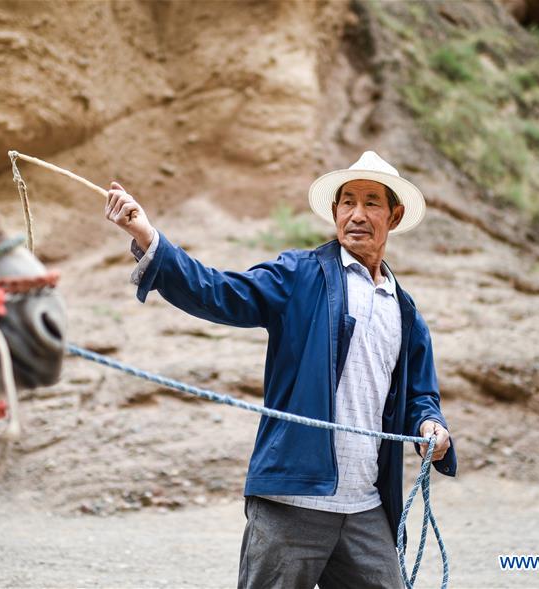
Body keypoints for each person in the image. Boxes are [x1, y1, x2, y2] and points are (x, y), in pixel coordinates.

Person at [104, 151, 456, 589]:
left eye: (371, 203)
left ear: (395, 215)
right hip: (290, 499)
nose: (357, 214)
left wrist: (430, 426)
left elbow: (421, 398)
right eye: (347, 202)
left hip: (365, 505)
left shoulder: (405, 312)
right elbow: (219, 292)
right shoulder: (299, 276)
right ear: (334, 211)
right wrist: (147, 235)